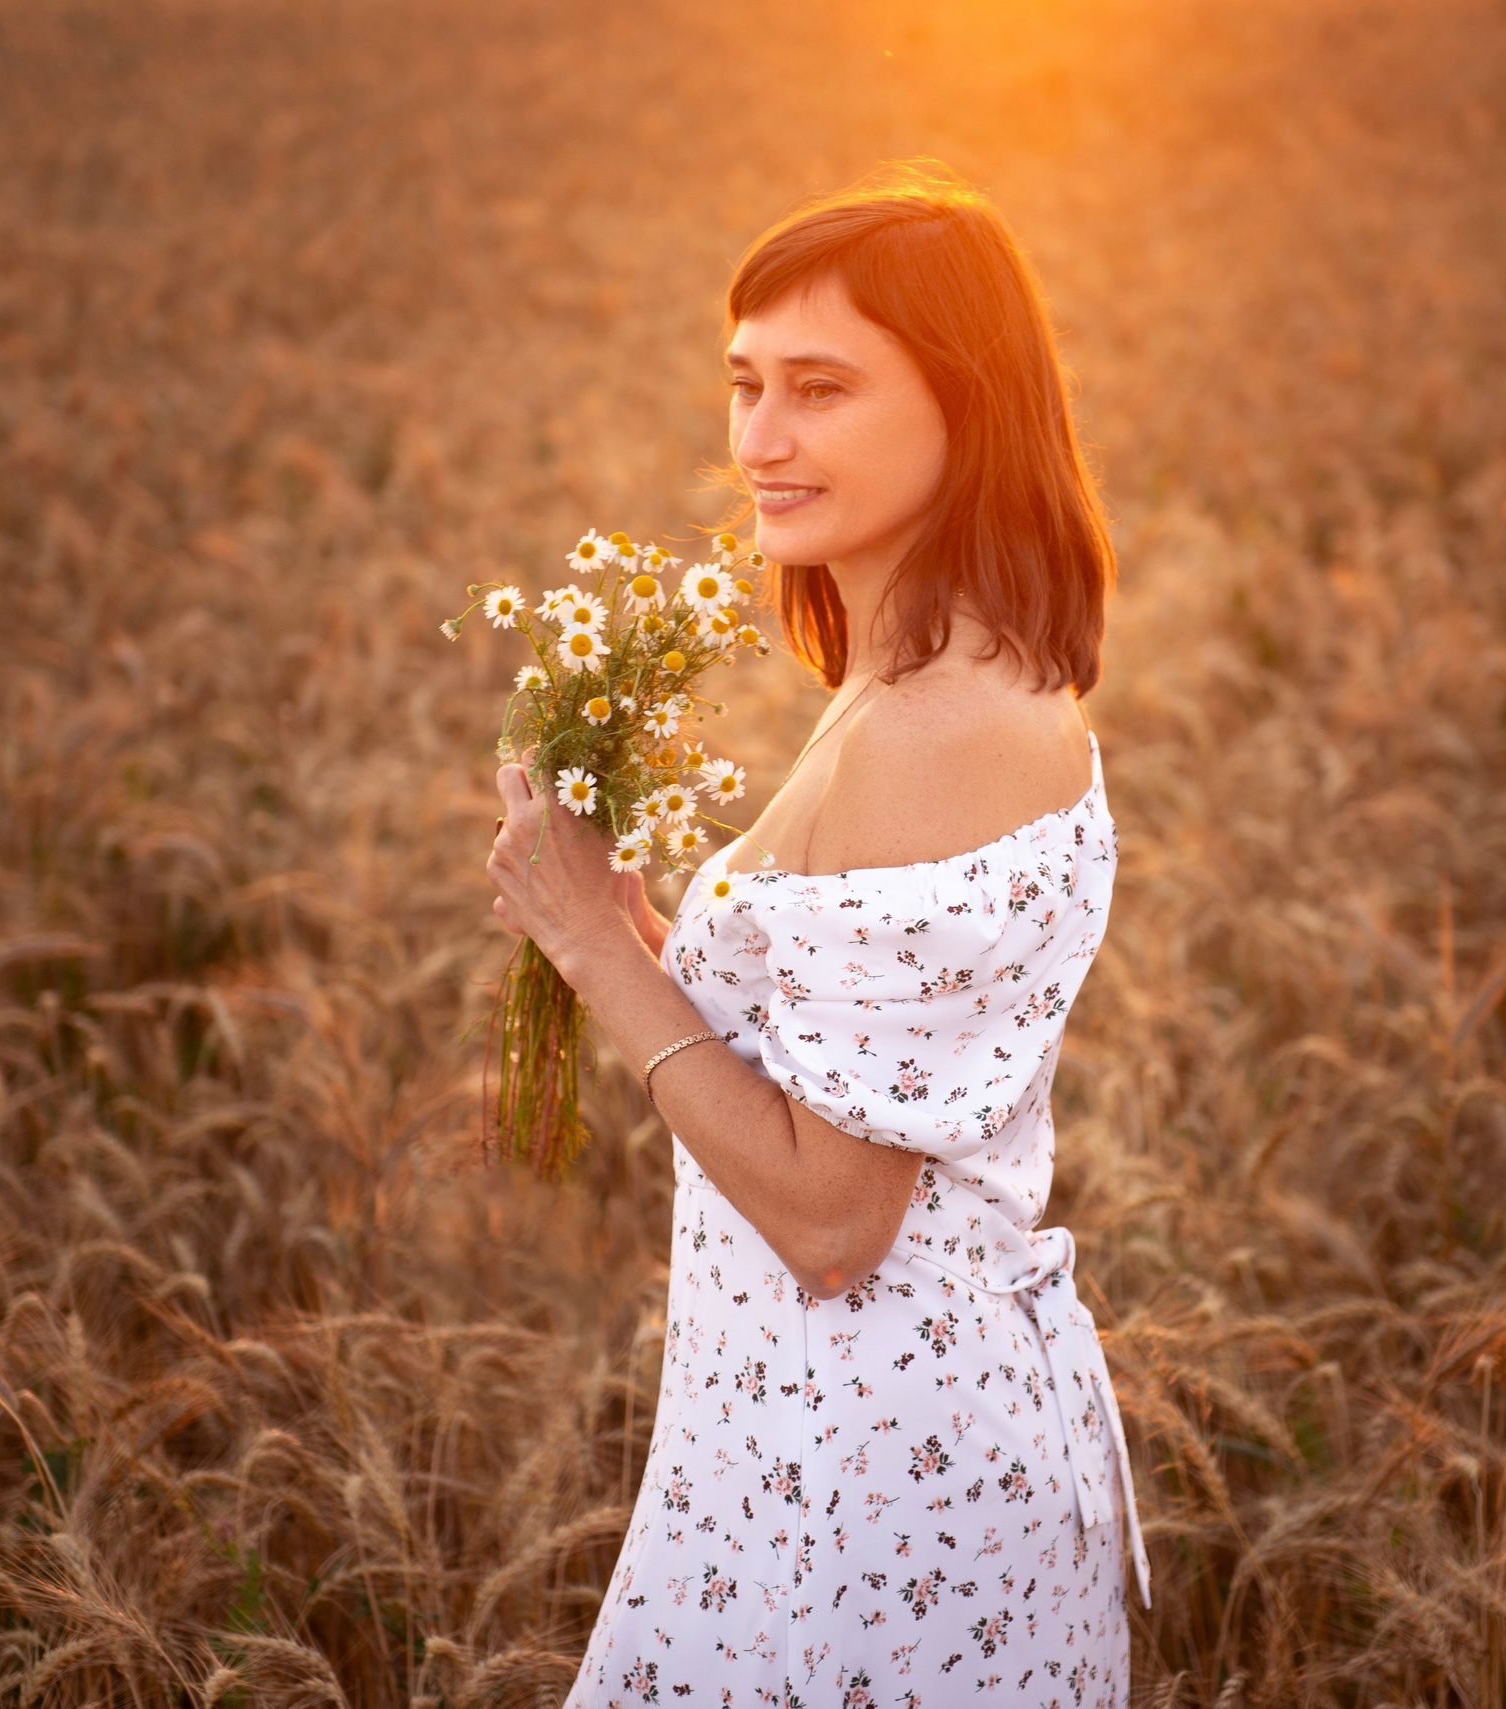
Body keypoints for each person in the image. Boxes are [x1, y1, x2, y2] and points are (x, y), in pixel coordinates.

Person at [486, 166, 1145, 1709]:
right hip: (812, 1454)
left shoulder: (930, 732)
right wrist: (660, 943)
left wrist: (604, 955)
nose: (759, 440)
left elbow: (836, 1222)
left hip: (874, 1499)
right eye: (746, 385)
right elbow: (842, 1065)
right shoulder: (937, 677)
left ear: (963, 408)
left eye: (822, 390)